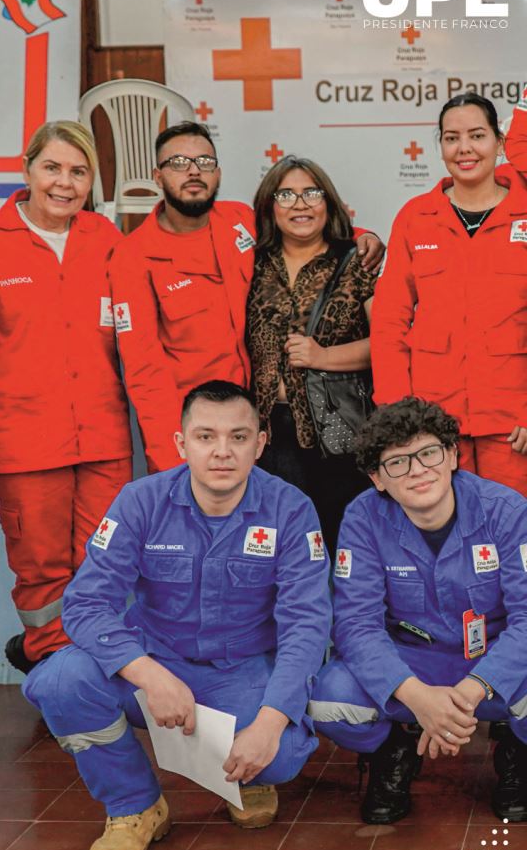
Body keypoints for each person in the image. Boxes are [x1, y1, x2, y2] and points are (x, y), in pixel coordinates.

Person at [23, 381, 331, 850]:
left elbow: (307, 625)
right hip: (154, 662)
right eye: (206, 436)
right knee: (61, 682)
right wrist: (150, 675)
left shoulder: (290, 510)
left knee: (280, 755)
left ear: (260, 442)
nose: (222, 452)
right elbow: (85, 603)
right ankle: (135, 806)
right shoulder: (141, 502)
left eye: (238, 436)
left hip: (242, 669)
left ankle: (249, 776)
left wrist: (269, 724)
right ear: (181, 444)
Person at [109, 122, 384, 473]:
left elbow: (301, 227)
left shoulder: (238, 220)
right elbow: (144, 373)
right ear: (158, 177)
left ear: (218, 173)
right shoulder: (132, 258)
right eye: (178, 163)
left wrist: (363, 236)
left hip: (258, 425)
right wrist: (172, 461)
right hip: (199, 432)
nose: (194, 171)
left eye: (205, 162)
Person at [0, 121, 132, 673]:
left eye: (78, 172)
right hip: (24, 441)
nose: (65, 183)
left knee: (105, 562)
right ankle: (57, 671)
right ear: (27, 169)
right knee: (42, 569)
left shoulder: (106, 240)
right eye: (53, 167)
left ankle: (93, 667)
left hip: (104, 437)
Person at [309, 398, 527, 825]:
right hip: (410, 663)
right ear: (377, 478)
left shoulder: (506, 510)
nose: (417, 470)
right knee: (323, 699)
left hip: (495, 662)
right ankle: (392, 750)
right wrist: (416, 697)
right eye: (397, 463)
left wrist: (465, 695)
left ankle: (517, 750)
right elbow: (355, 625)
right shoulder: (362, 518)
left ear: (451, 455)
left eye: (428, 453)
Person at [372, 93, 527, 497]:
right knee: (444, 534)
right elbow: (389, 320)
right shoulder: (416, 217)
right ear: (440, 146)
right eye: (451, 137)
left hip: (513, 425)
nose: (465, 149)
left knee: (515, 536)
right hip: (434, 424)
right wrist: (397, 414)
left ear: (499, 141)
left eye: (477, 135)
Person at [246, 156, 374, 556]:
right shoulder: (250, 262)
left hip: (337, 431)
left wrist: (322, 356)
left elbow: (390, 342)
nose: (299, 204)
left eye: (311, 193)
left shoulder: (358, 260)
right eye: (286, 194)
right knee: (282, 550)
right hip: (268, 436)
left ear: (328, 203)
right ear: (269, 206)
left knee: (343, 548)